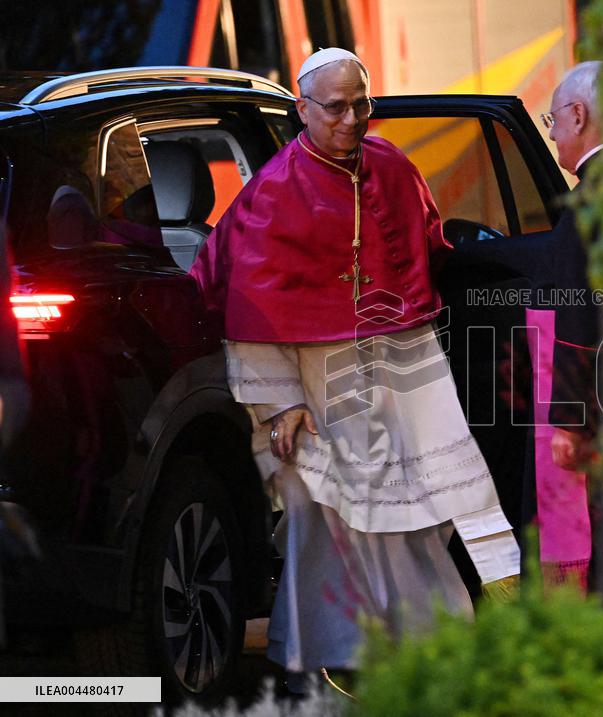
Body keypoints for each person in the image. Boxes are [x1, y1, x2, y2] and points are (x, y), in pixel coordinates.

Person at [190, 48, 520, 691]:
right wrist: (280, 403)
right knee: (341, 516)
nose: (350, 120)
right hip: (319, 371)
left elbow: (433, 244)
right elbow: (248, 306)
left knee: (450, 491)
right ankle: (343, 654)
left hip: (406, 355)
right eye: (335, 107)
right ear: (301, 108)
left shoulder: (395, 165)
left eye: (361, 105)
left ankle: (453, 634)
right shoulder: (273, 193)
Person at [529, 61, 603, 591]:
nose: (553, 133)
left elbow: (578, 315)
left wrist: (570, 419)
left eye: (553, 119)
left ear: (577, 115)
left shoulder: (586, 203)